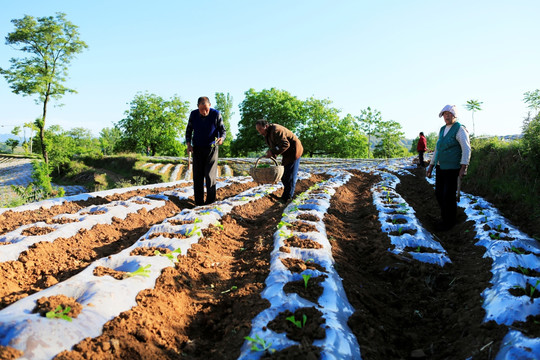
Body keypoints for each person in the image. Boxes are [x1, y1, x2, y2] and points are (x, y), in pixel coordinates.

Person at [426, 105, 471, 231]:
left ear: (454, 115)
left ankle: (449, 222)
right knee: (439, 194)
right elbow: (437, 149)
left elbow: (466, 149)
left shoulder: (460, 129)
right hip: (440, 167)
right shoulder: (442, 130)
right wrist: (431, 165)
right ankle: (445, 217)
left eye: (449, 114)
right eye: (444, 114)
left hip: (453, 168)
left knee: (448, 195)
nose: (447, 116)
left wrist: (464, 167)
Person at [185, 96, 226, 206]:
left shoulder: (216, 114)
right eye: (202, 109)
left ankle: (210, 202)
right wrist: (189, 144)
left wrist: (221, 138)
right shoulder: (193, 115)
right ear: (198, 107)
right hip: (197, 148)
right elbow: (188, 130)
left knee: (209, 175)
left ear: (210, 106)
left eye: (206, 109)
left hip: (211, 148)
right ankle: (199, 202)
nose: (204, 111)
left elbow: (223, 130)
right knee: (197, 176)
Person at [255, 119, 303, 204]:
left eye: (260, 129)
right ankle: (286, 196)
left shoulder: (276, 130)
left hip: (294, 151)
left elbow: (285, 144)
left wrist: (273, 152)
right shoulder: (267, 134)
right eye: (258, 130)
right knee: (284, 176)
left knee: (289, 176)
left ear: (265, 126)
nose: (259, 132)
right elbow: (275, 146)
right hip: (287, 153)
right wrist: (272, 153)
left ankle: (287, 199)